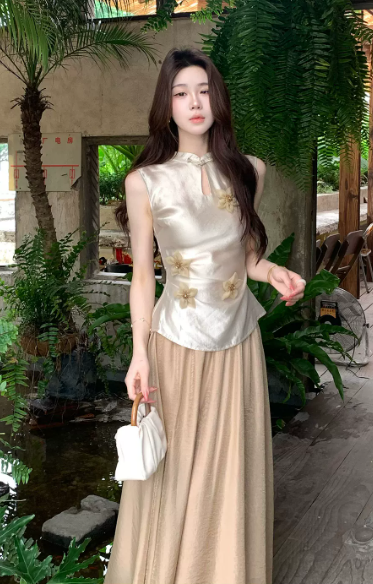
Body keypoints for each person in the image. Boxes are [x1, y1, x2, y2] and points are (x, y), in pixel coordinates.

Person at [104, 47, 306, 584]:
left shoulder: (249, 171)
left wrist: (273, 273)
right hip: (176, 343)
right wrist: (140, 354)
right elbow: (144, 276)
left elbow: (246, 259)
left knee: (230, 468)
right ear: (166, 106)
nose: (194, 102)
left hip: (238, 344)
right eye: (181, 93)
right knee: (174, 471)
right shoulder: (145, 181)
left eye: (203, 90)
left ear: (218, 99)